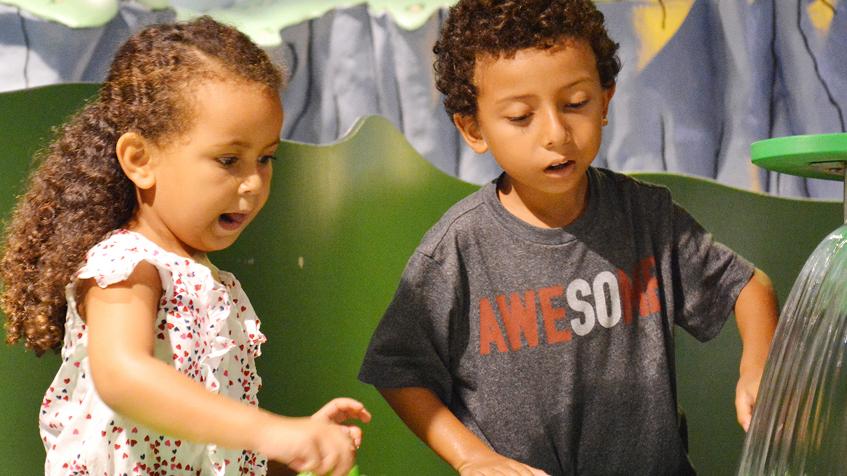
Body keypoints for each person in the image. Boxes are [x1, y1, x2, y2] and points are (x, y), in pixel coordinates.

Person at [358, 1, 777, 474]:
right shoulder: (457, 249)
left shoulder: (646, 216)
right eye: (520, 116)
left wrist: (760, 365)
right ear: (473, 128)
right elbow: (399, 368)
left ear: (605, 100)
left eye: (576, 103)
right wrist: (471, 456)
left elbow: (748, 286)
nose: (556, 133)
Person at [0, 17, 369, 476]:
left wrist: (291, 453)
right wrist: (269, 429)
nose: (253, 183)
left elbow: (209, 450)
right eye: (228, 160)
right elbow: (122, 376)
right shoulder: (126, 265)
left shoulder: (217, 286)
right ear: (140, 160)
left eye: (266, 158)